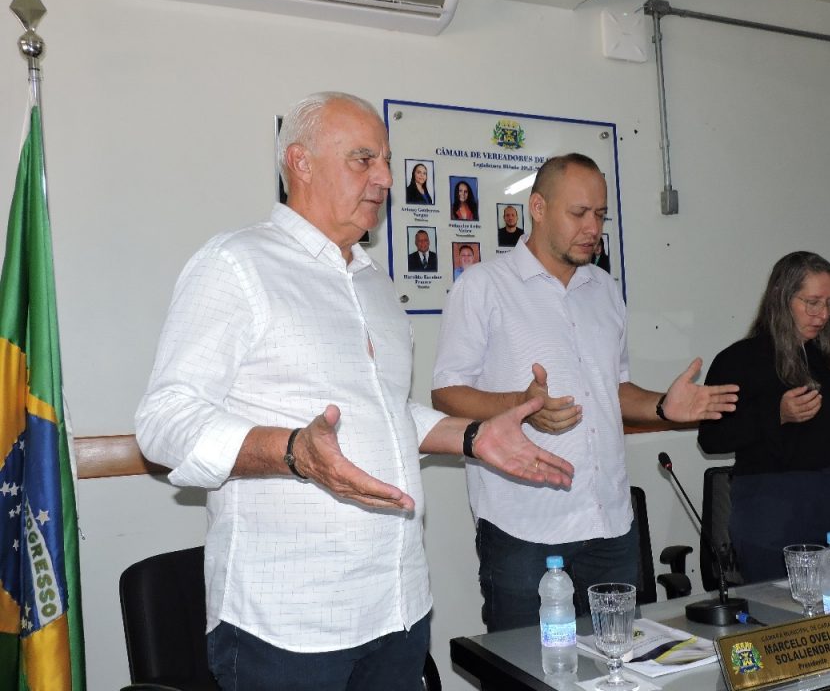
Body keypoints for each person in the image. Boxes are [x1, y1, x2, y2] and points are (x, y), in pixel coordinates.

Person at [135, 92, 573, 691]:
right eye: (363, 159)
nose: (386, 179)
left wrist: (471, 437)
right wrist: (294, 451)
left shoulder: (375, 284)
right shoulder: (235, 264)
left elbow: (388, 414)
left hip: (398, 607)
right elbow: (163, 425)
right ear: (301, 162)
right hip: (288, 626)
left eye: (387, 161)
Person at [431, 152, 739, 632]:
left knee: (615, 665)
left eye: (599, 214)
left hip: (609, 525)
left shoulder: (604, 289)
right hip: (523, 527)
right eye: (578, 213)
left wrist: (661, 406)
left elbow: (612, 390)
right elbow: (447, 393)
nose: (592, 227)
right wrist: (520, 405)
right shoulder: (483, 286)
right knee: (524, 671)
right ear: (537, 208)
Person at [697, 251, 830, 583]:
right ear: (782, 298)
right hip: (774, 509)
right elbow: (711, 438)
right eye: (812, 302)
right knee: (782, 617)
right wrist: (776, 414)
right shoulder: (739, 359)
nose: (822, 314)